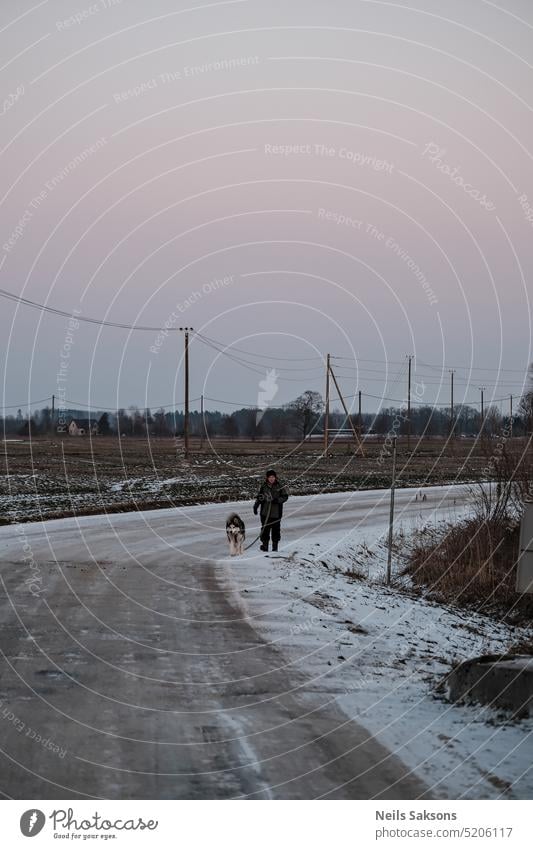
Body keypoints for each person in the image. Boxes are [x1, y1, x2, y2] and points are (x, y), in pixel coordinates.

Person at [253, 469, 289, 552]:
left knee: (276, 531)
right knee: (265, 530)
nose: (272, 478)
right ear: (267, 478)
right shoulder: (264, 486)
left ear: (275, 477)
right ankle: (265, 546)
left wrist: (277, 500)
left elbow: (285, 497)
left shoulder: (280, 486)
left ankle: (275, 547)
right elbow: (260, 497)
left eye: (273, 477)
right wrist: (256, 505)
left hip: (276, 513)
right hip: (265, 513)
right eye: (270, 477)